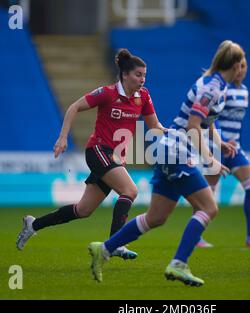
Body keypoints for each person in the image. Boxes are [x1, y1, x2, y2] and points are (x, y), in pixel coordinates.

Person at [87, 40, 244, 286]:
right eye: (242, 64)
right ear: (234, 65)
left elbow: (206, 121)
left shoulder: (216, 85)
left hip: (169, 151)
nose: (243, 69)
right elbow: (193, 125)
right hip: (177, 152)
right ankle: (179, 264)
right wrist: (210, 158)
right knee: (209, 208)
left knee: (156, 217)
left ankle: (104, 249)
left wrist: (219, 142)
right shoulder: (212, 88)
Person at [16, 49, 167, 259]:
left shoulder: (143, 96)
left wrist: (173, 133)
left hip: (115, 158)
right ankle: (115, 244)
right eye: (138, 75)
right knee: (130, 191)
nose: (142, 79)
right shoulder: (107, 93)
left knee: (84, 210)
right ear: (125, 74)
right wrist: (62, 138)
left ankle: (33, 224)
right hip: (98, 150)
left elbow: (154, 126)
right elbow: (74, 107)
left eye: (144, 75)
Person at [204, 57, 250, 247]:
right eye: (238, 66)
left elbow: (239, 123)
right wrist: (222, 141)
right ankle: (197, 237)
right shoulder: (222, 89)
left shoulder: (244, 91)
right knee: (208, 195)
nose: (241, 70)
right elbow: (212, 118)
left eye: (244, 66)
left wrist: (236, 141)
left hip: (236, 148)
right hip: (218, 147)